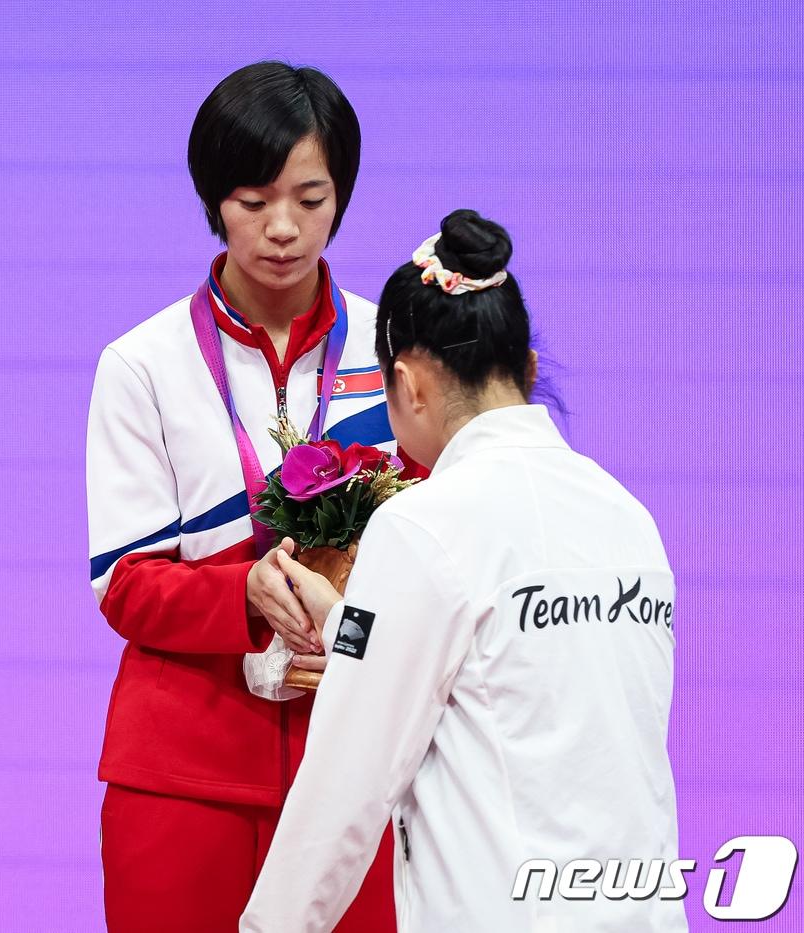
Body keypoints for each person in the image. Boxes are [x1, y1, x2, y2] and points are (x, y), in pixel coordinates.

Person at [242, 210, 686, 932]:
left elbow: (345, 784)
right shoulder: (626, 517)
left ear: (409, 384)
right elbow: (515, 680)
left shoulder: (424, 525)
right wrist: (344, 622)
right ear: (529, 368)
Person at [86, 61, 398, 931]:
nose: (284, 228)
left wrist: (358, 627)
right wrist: (243, 595)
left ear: (342, 196)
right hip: (183, 776)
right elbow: (126, 582)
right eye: (253, 200)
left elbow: (445, 558)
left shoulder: (398, 347)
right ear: (214, 201)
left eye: (310, 196)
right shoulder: (141, 364)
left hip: (359, 764)